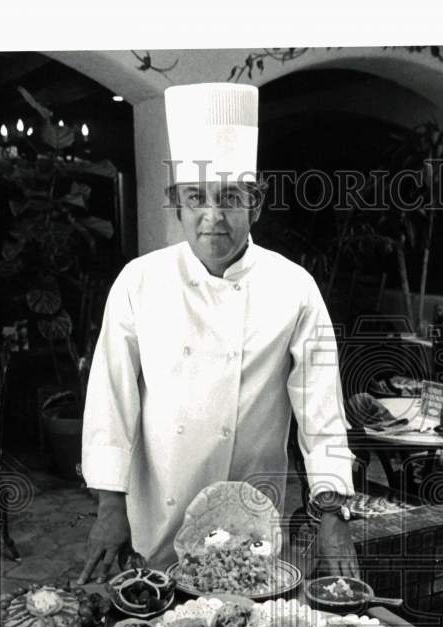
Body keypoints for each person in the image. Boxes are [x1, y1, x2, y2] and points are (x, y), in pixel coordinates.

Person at [78, 82, 358, 584]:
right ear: (177, 203)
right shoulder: (139, 282)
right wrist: (108, 506)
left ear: (257, 201)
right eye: (197, 197)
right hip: (158, 519)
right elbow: (110, 399)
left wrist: (334, 514)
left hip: (249, 517)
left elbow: (321, 410)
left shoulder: (294, 288)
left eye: (230, 197)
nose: (213, 217)